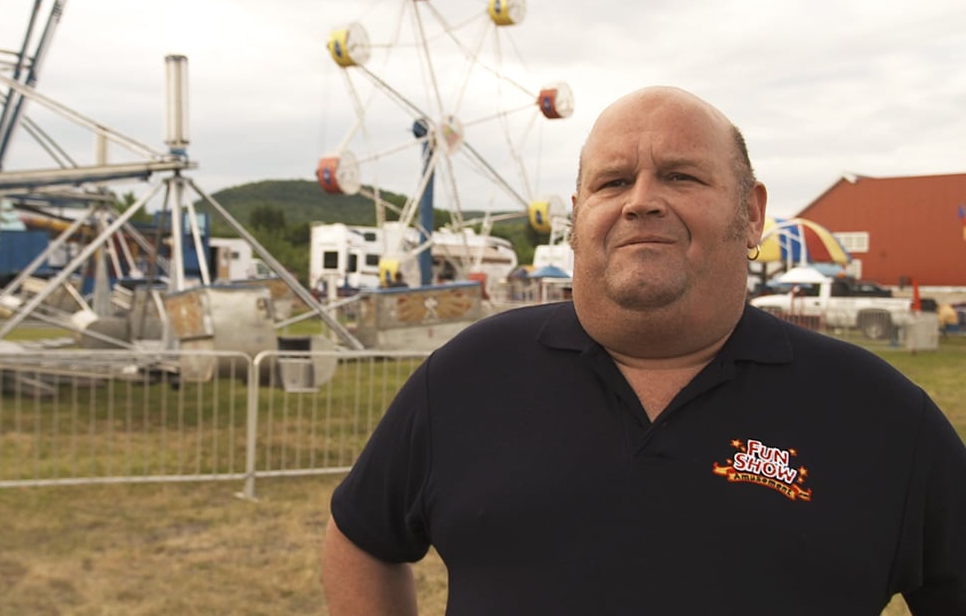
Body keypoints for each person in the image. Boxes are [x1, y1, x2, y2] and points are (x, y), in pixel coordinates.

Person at [322, 86, 966, 614]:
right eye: (612, 182)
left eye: (680, 176)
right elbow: (363, 537)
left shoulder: (880, 417)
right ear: (577, 218)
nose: (640, 202)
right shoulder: (469, 376)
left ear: (751, 214)